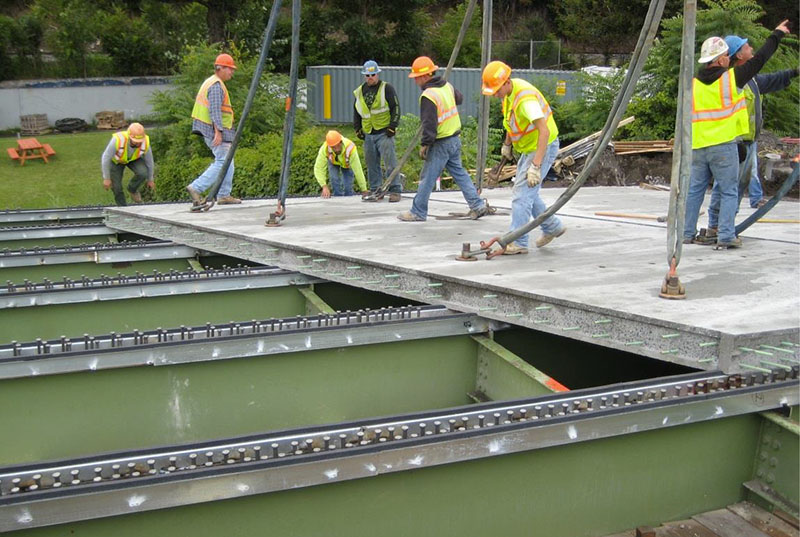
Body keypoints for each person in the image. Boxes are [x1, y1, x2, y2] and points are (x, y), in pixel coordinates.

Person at [683, 20, 790, 249]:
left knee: (695, 190)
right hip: (723, 145)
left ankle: (687, 233)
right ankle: (726, 235)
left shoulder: (693, 83)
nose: (727, 60)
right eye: (725, 57)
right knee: (730, 191)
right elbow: (760, 59)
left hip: (699, 145)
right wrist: (777, 35)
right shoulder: (730, 78)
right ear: (721, 59)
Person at [481, 61, 566, 254]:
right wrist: (507, 144)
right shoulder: (509, 94)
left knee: (521, 195)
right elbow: (511, 121)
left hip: (541, 147)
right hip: (529, 147)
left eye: (496, 90)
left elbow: (543, 131)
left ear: (506, 82)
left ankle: (518, 241)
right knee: (529, 193)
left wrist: (536, 166)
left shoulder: (526, 100)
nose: (494, 94)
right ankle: (552, 226)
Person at [713, 35, 798, 212]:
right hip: (734, 142)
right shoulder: (733, 80)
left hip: (749, 140)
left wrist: (794, 72)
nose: (750, 47)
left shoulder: (751, 80)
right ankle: (718, 226)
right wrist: (776, 35)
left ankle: (726, 223)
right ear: (738, 55)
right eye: (746, 46)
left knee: (737, 185)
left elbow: (770, 80)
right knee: (726, 186)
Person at [398, 56, 487, 222]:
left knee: (427, 177)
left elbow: (429, 123)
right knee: (460, 173)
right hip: (454, 139)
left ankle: (417, 211)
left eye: (416, 77)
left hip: (441, 142)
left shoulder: (429, 95)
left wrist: (425, 144)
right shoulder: (447, 85)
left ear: (425, 76)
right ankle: (477, 205)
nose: (415, 80)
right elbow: (459, 99)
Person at [186, 53, 241, 209]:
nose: (232, 72)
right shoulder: (216, 86)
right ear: (220, 68)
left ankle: (224, 195)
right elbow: (215, 111)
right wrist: (218, 132)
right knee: (223, 161)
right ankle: (197, 187)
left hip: (208, 128)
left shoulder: (211, 82)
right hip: (214, 130)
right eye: (230, 69)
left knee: (227, 161)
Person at [354, 60, 402, 202]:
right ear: (364, 76)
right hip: (369, 132)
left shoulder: (386, 88)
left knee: (390, 162)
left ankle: (395, 190)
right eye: (368, 75)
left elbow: (396, 107)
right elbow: (357, 110)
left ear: (378, 74)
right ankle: (375, 190)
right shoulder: (359, 92)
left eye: (373, 74)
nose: (370, 77)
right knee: (371, 163)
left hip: (384, 132)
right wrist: (357, 128)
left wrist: (393, 125)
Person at [100, 122, 154, 206]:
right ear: (129, 137)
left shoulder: (146, 142)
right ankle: (123, 207)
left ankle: (132, 189)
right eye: (135, 141)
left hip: (133, 159)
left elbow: (149, 162)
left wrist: (150, 179)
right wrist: (106, 178)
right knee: (116, 187)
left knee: (143, 173)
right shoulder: (117, 140)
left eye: (140, 141)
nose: (138, 144)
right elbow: (105, 158)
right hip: (117, 161)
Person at [314, 130, 368, 198]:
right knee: (334, 179)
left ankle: (348, 199)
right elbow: (319, 168)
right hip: (333, 161)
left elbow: (358, 169)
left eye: (337, 146)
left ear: (341, 142)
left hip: (347, 163)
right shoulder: (324, 148)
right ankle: (337, 199)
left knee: (347, 185)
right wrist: (324, 186)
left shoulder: (350, 147)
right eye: (333, 147)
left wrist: (364, 189)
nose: (336, 150)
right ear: (329, 146)